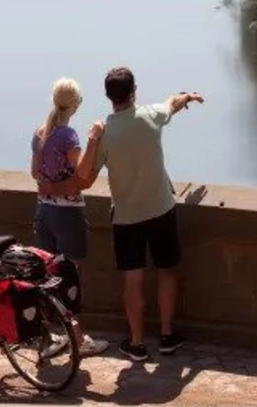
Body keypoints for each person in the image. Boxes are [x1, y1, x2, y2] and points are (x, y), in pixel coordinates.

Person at [47, 66, 204, 362]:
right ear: (134, 91)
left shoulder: (105, 132)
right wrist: (189, 96)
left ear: (108, 96)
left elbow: (83, 179)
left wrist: (93, 141)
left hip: (127, 218)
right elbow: (172, 102)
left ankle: (137, 343)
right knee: (167, 271)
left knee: (133, 281)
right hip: (161, 210)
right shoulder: (151, 115)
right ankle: (168, 335)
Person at [28, 78, 109, 356]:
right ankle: (78, 339)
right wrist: (94, 141)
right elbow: (82, 175)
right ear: (75, 106)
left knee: (46, 276)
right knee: (70, 278)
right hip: (68, 215)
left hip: (44, 211)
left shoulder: (40, 133)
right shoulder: (69, 136)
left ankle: (53, 336)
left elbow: (34, 174)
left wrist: (49, 185)